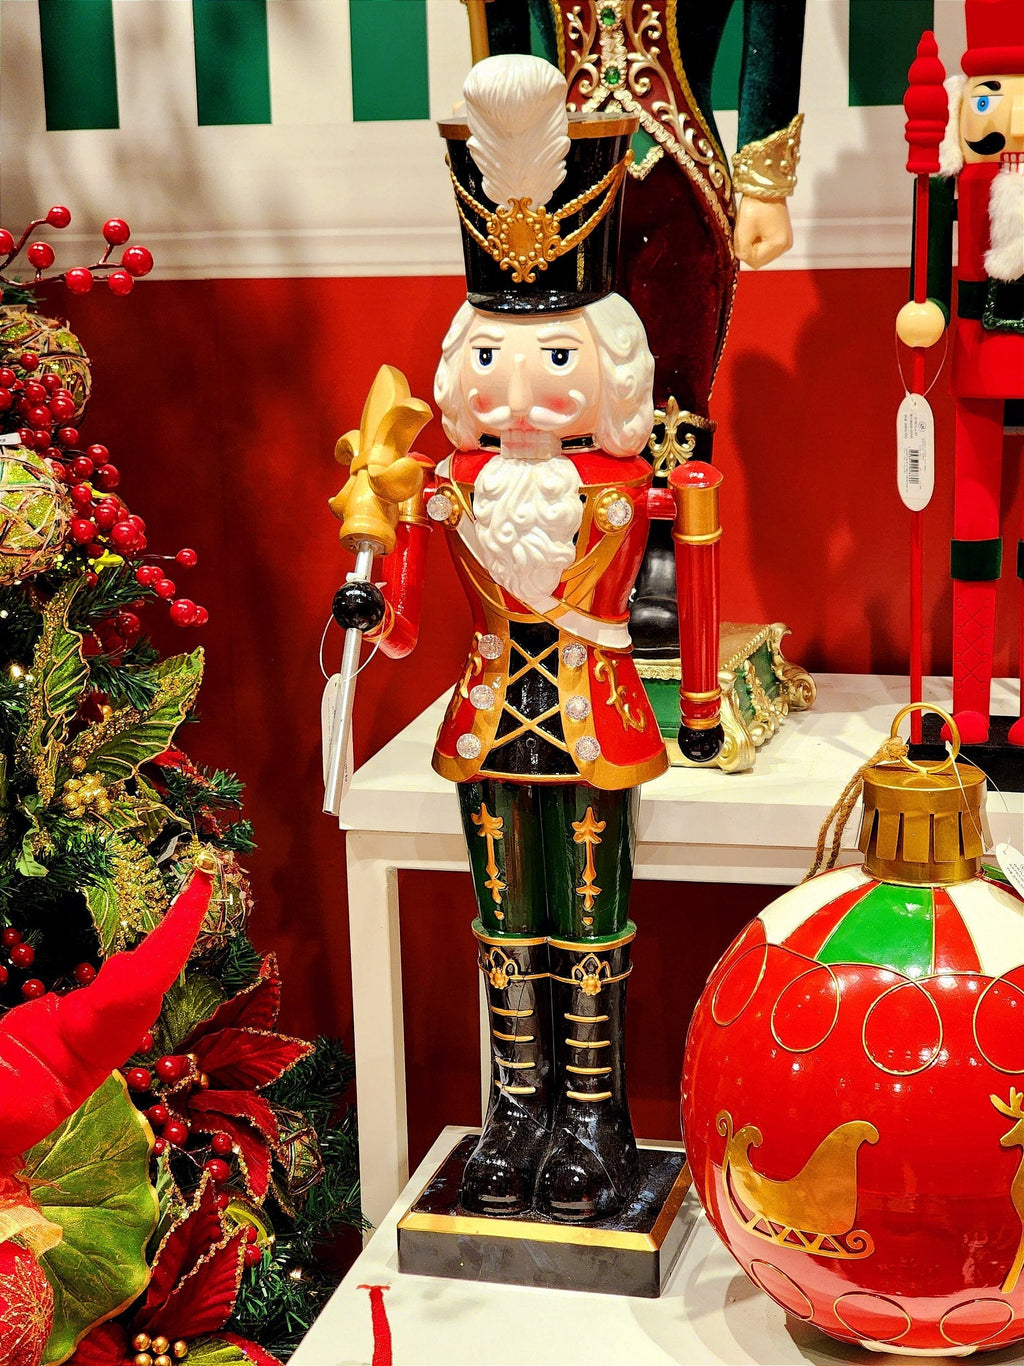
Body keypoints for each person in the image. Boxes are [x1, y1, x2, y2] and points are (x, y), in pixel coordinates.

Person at [331, 54, 687, 1222]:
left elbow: (647, 594)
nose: (516, 391)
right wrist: (371, 596)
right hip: (486, 725)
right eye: (488, 359)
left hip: (592, 726)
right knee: (501, 921)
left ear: (609, 371)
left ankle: (594, 1119)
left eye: (553, 361)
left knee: (589, 918)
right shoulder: (444, 487)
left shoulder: (620, 490)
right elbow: (405, 620)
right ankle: (514, 1112)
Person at [896, 0, 1024, 746]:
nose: (1008, 117)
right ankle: (969, 702)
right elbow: (928, 264)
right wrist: (929, 307)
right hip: (976, 364)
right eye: (990, 93)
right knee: (973, 529)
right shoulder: (957, 184)